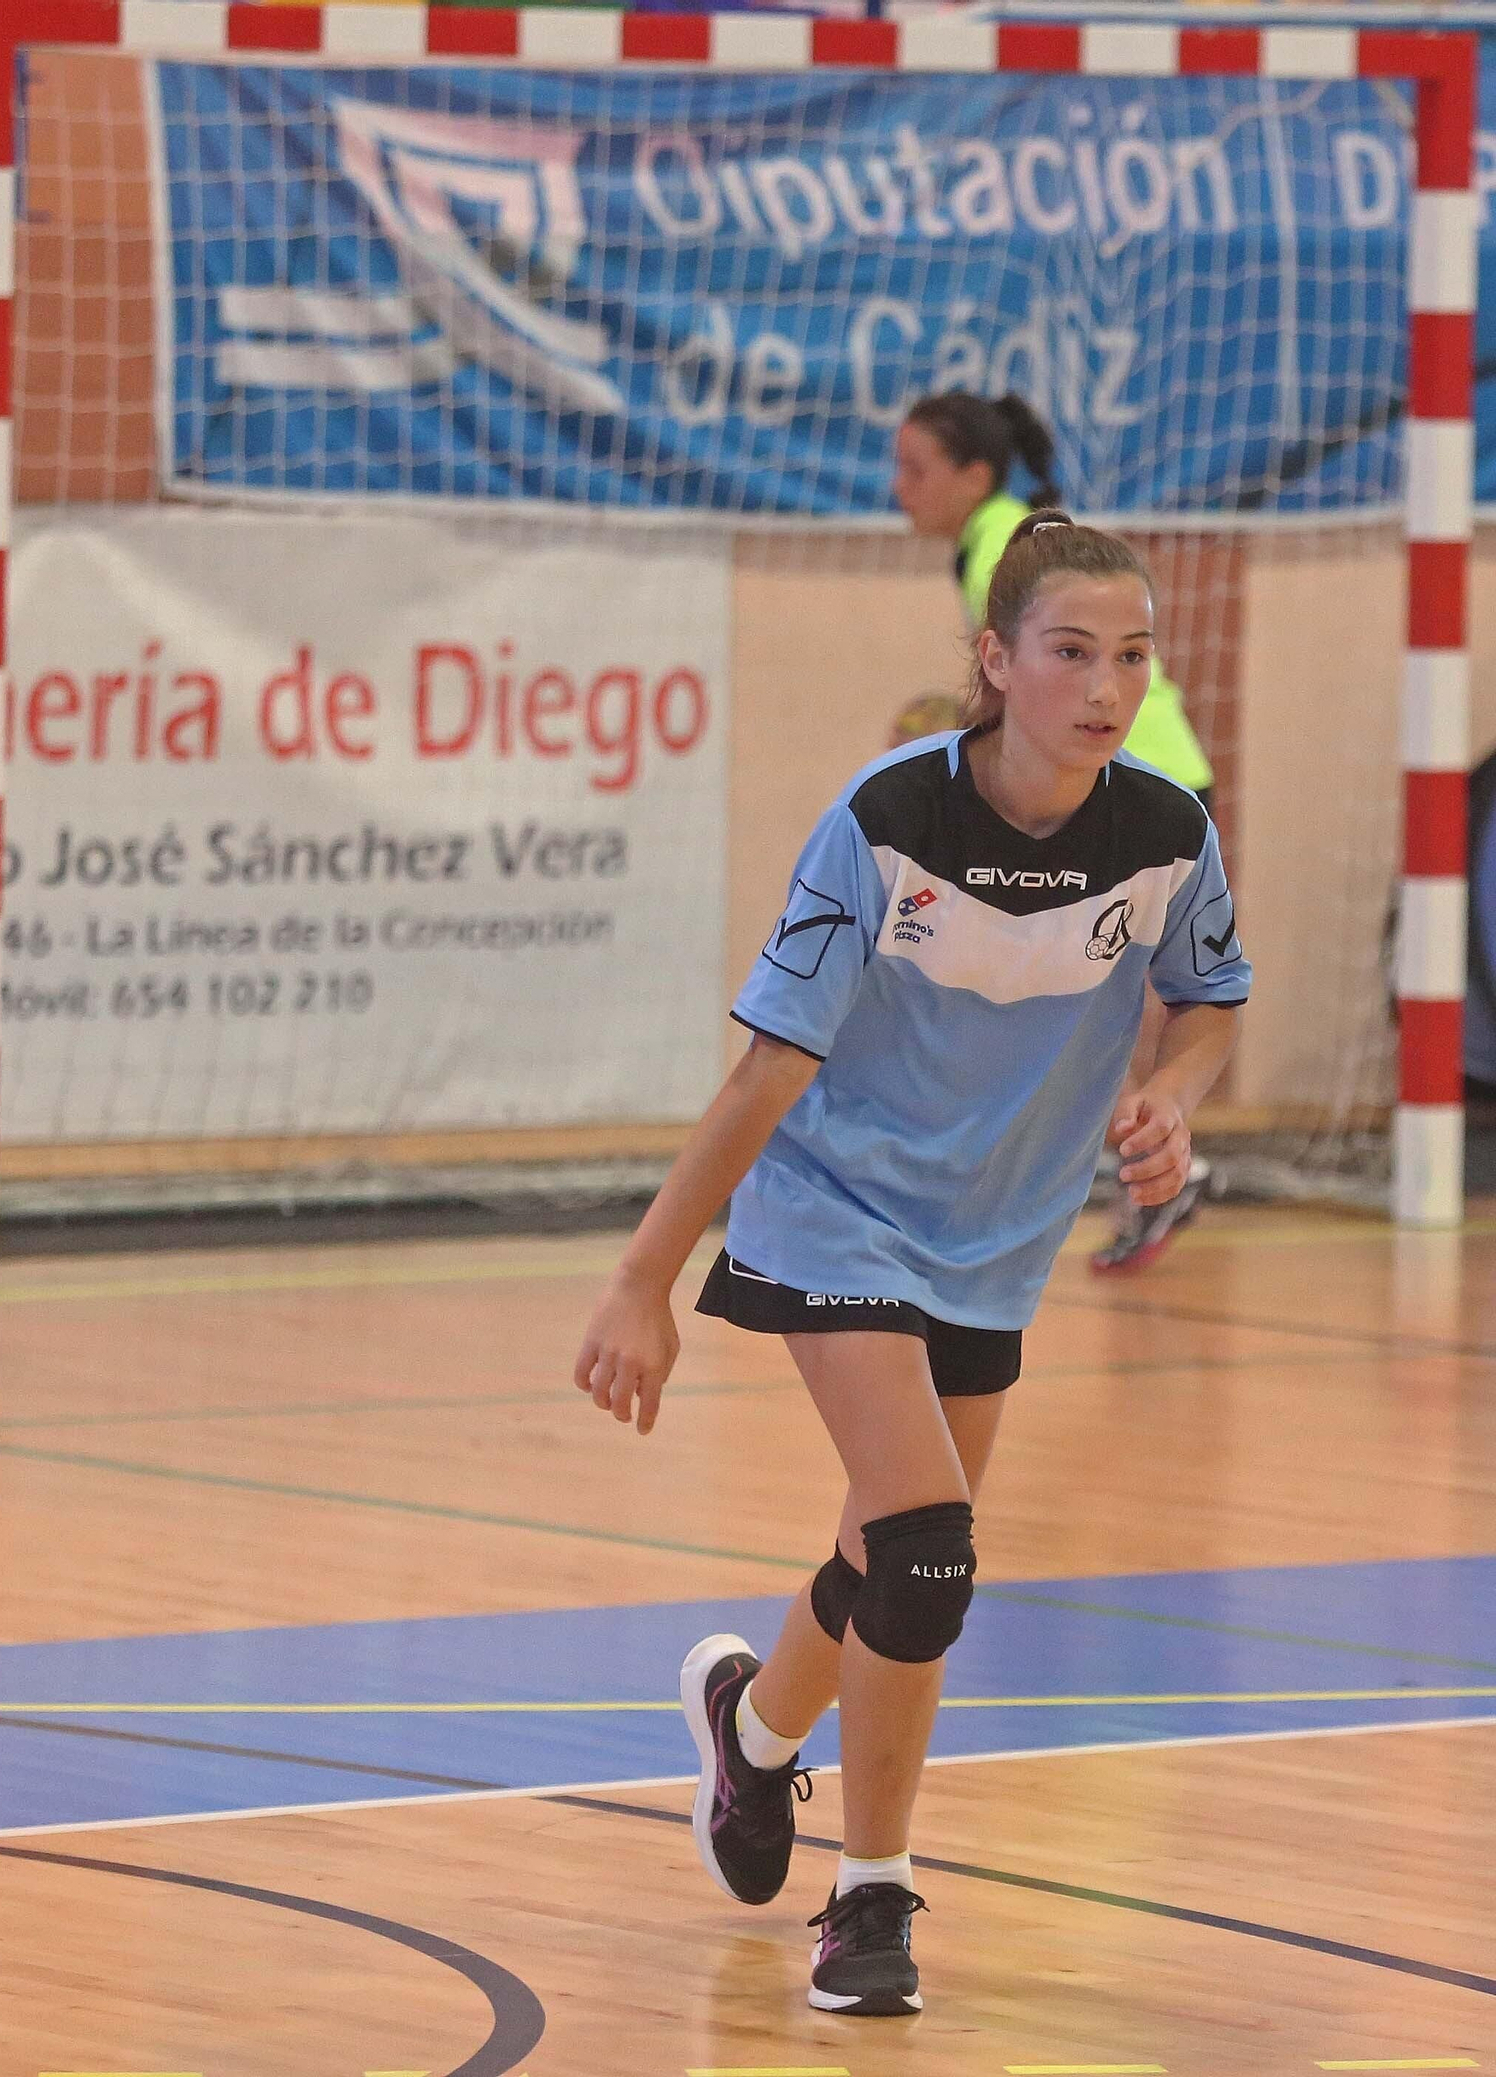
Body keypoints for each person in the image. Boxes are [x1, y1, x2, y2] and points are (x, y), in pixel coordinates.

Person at [574, 514, 1250, 2019]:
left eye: (1131, 656)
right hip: (837, 1211)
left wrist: (1171, 1105)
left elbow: (1208, 1008)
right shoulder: (886, 820)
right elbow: (764, 1074)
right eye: (1071, 651)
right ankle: (868, 1900)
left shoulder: (1165, 835)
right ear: (996, 659)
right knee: (933, 1546)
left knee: (891, 1557)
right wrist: (644, 1277)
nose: (1104, 685)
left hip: (998, 1238)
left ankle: (753, 1740)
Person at [891, 391, 1218, 1274]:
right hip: (1124, 777)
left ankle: (1156, 1168)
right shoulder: (990, 540)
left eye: (915, 468)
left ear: (975, 474)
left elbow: (1009, 701)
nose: (898, 489)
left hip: (1134, 786)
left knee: (1131, 1007)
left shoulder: (1005, 544)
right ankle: (1148, 1171)